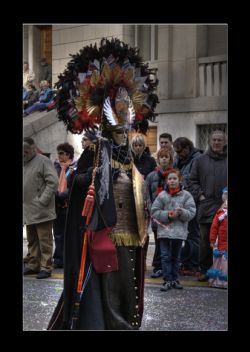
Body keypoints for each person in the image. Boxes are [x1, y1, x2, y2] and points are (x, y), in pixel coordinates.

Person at [47, 37, 159, 330]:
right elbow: (78, 183)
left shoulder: (129, 153)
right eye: (118, 108)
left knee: (127, 279)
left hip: (130, 229)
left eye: (126, 108)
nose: (123, 114)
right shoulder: (97, 150)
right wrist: (96, 178)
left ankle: (123, 319)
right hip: (105, 229)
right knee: (106, 281)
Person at [188, 130, 227, 281]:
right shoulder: (200, 160)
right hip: (207, 207)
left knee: (225, 240)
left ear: (224, 143)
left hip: (226, 207)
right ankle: (204, 270)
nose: (217, 142)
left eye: (220, 140)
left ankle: (223, 271)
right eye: (214, 140)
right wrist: (201, 196)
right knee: (205, 241)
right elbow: (192, 181)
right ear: (210, 142)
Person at [151, 169, 196, 291]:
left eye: (174, 178)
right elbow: (154, 211)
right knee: (165, 256)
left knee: (176, 257)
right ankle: (167, 280)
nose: (172, 181)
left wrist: (182, 213)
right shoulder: (162, 195)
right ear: (167, 181)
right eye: (170, 179)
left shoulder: (186, 195)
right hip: (164, 232)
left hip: (179, 232)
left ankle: (175, 279)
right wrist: (168, 215)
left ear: (179, 180)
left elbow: (192, 212)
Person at [23, 137, 58, 279]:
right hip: (28, 209)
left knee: (45, 240)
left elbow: (53, 182)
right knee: (32, 240)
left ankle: (46, 267)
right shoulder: (24, 162)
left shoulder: (43, 160)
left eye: (26, 149)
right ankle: (33, 264)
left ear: (33, 148)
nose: (23, 152)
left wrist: (42, 200)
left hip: (41, 209)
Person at [173, 137, 203, 275]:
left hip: (193, 202)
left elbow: (193, 180)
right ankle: (187, 263)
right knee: (187, 234)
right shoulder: (181, 159)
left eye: (180, 151)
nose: (178, 154)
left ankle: (193, 265)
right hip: (183, 201)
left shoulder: (196, 159)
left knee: (194, 235)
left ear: (187, 148)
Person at [145, 148, 173, 278]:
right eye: (161, 157)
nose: (164, 159)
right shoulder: (151, 176)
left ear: (170, 159)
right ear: (158, 159)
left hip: (170, 215)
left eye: (166, 157)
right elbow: (146, 194)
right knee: (158, 240)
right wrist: (151, 209)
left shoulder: (174, 175)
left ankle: (169, 267)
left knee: (170, 241)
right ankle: (158, 266)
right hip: (156, 215)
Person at [53, 143, 77, 268]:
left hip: (69, 205)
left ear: (68, 154)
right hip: (57, 205)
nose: (59, 155)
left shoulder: (75, 167)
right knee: (57, 234)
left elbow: (74, 185)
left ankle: (69, 258)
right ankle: (58, 259)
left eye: (61, 153)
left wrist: (63, 195)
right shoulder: (55, 166)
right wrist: (56, 195)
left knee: (69, 234)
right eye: (58, 153)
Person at [207, 187, 228, 289]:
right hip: (220, 244)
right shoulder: (220, 214)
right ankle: (218, 282)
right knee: (220, 262)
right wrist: (212, 240)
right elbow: (214, 228)